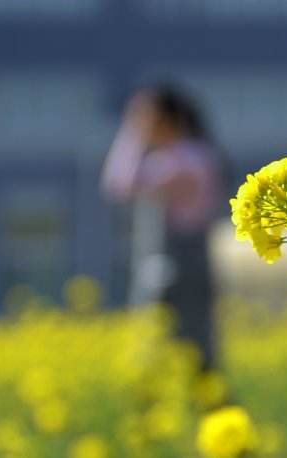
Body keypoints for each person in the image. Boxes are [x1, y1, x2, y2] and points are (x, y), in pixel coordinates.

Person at [101, 84, 228, 368]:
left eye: (146, 118)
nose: (142, 126)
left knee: (174, 351)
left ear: (169, 119)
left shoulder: (187, 159)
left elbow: (120, 184)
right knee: (188, 351)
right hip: (182, 263)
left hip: (182, 264)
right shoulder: (192, 155)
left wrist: (132, 136)